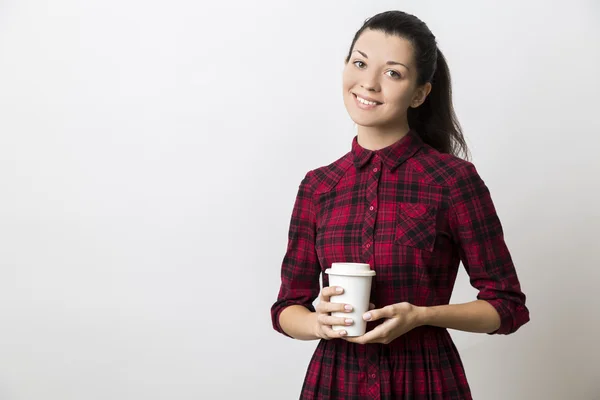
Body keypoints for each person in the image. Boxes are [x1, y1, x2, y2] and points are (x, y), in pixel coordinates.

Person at [270, 10, 530, 400]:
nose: (369, 83)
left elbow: (507, 306)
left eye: (393, 73)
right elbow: (287, 307)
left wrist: (423, 316)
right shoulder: (318, 187)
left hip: (425, 382)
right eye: (359, 63)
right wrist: (317, 324)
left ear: (420, 92)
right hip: (334, 383)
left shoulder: (453, 181)